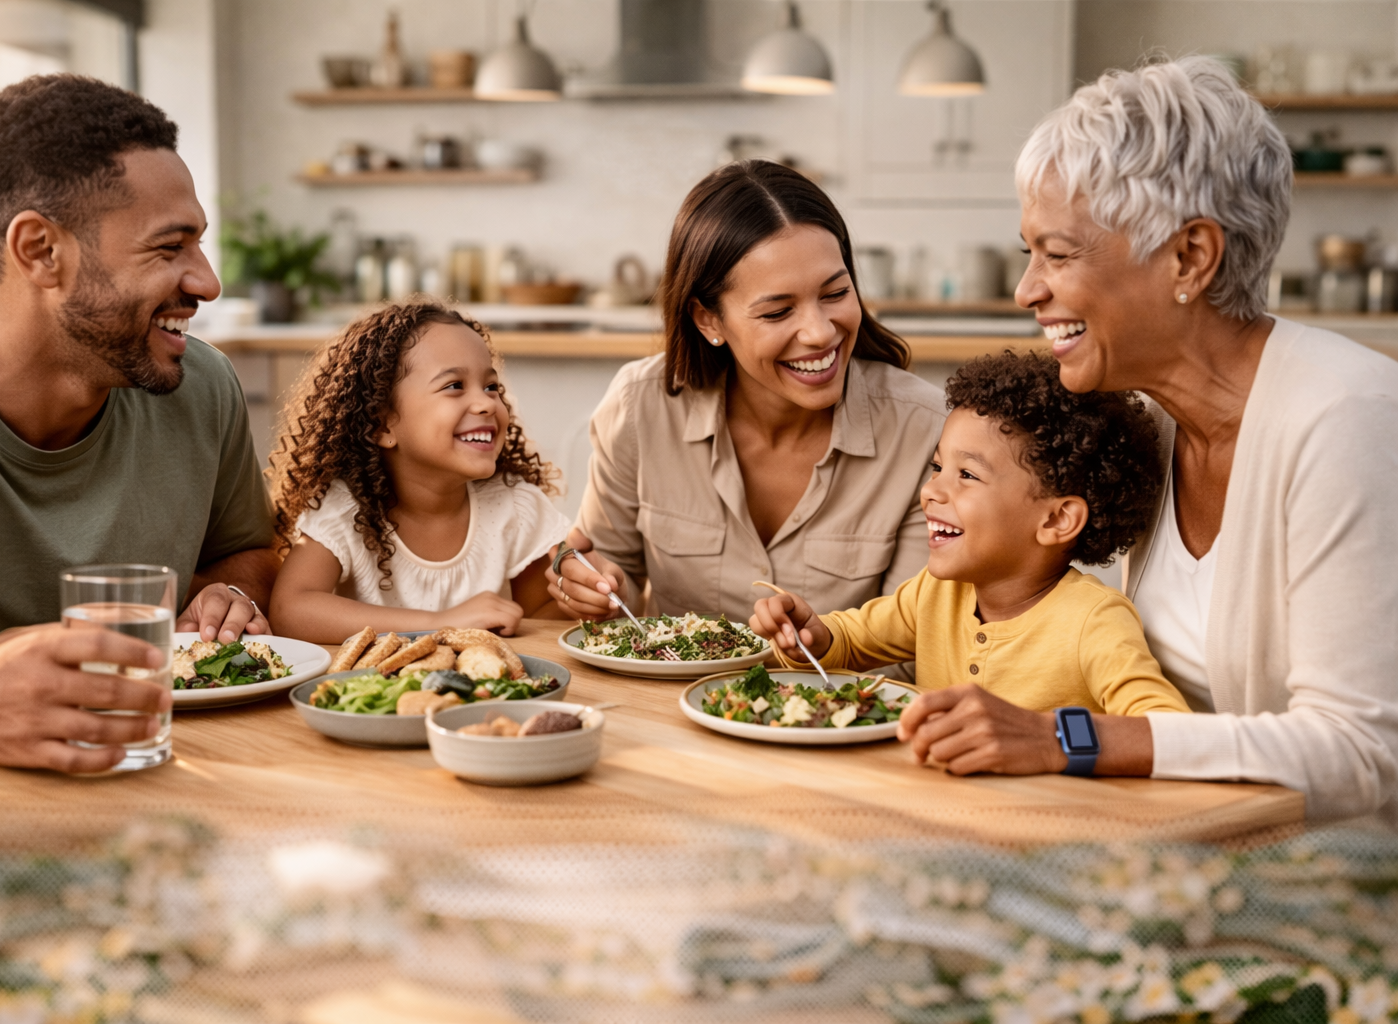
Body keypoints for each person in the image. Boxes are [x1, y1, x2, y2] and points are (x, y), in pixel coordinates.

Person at [895, 57, 1398, 823]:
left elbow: (1359, 755)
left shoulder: (1349, 420)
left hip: (1331, 892)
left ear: (1189, 258)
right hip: (1184, 847)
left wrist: (1070, 740)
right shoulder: (1150, 423)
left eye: (1058, 254)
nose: (1028, 288)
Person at [0, 75, 277, 773]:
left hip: (165, 788)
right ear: (40, 251)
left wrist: (229, 599)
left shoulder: (200, 384)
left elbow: (246, 552)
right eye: (169, 247)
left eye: (199, 245)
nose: (207, 282)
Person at [547, 161, 945, 623]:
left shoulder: (925, 429)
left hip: (843, 696)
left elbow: (907, 639)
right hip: (663, 695)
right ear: (708, 320)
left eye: (835, 293)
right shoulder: (641, 407)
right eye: (777, 312)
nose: (819, 333)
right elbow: (620, 593)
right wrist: (596, 590)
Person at [752, 351, 1188, 719]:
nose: (930, 491)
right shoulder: (937, 594)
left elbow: (1165, 729)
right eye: (937, 468)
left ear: (1057, 520)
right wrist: (813, 635)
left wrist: (1052, 743)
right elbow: (850, 642)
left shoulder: (1094, 621)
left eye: (967, 474)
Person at [268, 302, 569, 643]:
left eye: (491, 387)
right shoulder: (346, 510)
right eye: (454, 385)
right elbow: (289, 611)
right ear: (381, 424)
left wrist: (583, 603)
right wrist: (441, 622)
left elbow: (541, 616)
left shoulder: (514, 504)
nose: (487, 403)